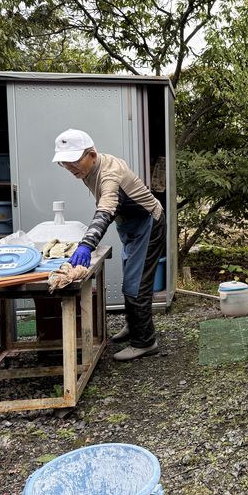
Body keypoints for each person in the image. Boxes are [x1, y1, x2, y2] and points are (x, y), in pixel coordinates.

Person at [52, 129, 165, 361]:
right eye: (64, 163)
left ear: (92, 155)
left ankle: (145, 342)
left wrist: (87, 244)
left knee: (136, 283)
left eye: (74, 161)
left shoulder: (110, 174)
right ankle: (134, 326)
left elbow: (105, 211)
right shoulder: (89, 168)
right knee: (130, 278)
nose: (70, 167)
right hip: (130, 225)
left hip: (148, 223)